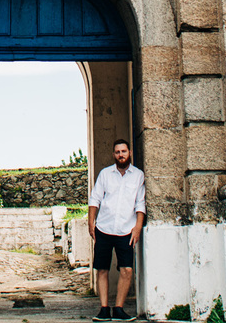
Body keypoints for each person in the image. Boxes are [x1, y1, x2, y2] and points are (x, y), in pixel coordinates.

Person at [88, 138, 145, 322]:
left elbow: (140, 203)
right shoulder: (105, 174)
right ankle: (104, 309)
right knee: (102, 269)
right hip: (104, 228)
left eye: (124, 151)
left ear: (129, 153)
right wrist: (91, 222)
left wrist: (137, 227)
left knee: (127, 270)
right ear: (114, 154)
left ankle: (119, 309)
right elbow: (95, 198)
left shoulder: (138, 176)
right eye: (118, 152)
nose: (121, 155)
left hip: (126, 230)